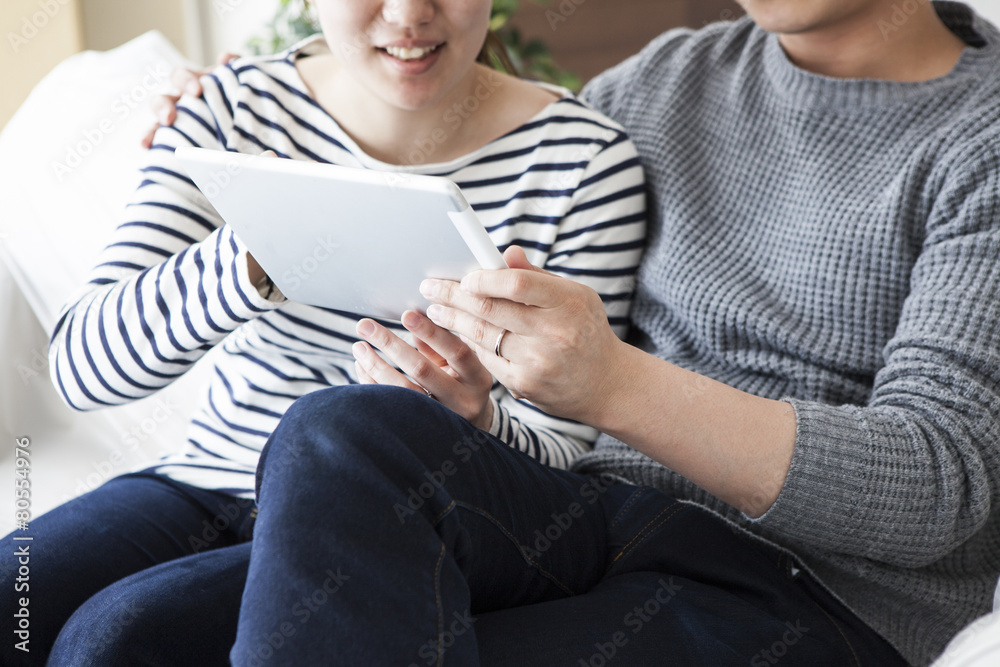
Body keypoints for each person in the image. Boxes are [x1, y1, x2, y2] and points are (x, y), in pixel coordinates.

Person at [144, 0, 1000, 665]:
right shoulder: (670, 79)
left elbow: (934, 485)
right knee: (138, 626)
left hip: (809, 594)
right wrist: (260, 95)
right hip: (599, 521)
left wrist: (613, 383)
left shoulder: (981, 137)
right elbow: (497, 131)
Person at [0, 1, 646, 665]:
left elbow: (568, 454)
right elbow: (81, 369)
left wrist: (476, 419)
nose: (409, 14)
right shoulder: (227, 108)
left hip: (395, 509)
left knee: (113, 638)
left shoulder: (583, 160)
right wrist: (255, 250)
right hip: (209, 481)